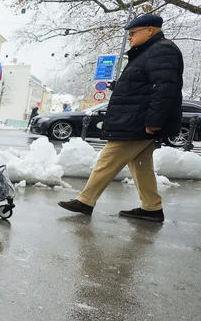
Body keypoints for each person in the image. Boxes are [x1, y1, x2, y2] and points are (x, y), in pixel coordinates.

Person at [58, 15, 183, 223]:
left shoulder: (162, 50)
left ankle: (85, 201)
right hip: (137, 119)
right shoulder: (149, 52)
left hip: (139, 122)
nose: (130, 37)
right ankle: (152, 208)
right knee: (141, 165)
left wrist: (154, 121)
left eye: (133, 33)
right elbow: (144, 85)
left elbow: (165, 88)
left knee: (107, 160)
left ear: (150, 30)